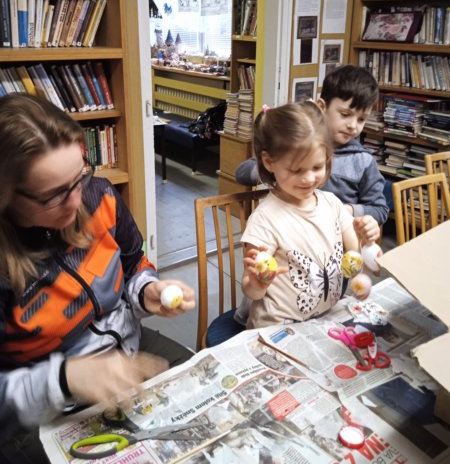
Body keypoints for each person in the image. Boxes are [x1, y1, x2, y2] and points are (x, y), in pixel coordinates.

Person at [0, 94, 196, 463]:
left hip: (130, 352)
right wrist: (65, 378)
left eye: (78, 177)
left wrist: (146, 290)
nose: (77, 202)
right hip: (42, 406)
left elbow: (134, 263)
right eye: (53, 195)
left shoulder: (100, 195)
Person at [241, 101, 380, 329]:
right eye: (296, 170)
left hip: (324, 319)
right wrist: (258, 283)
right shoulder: (264, 220)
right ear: (269, 162)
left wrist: (367, 240)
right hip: (279, 328)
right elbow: (252, 292)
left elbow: (356, 254)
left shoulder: (332, 204)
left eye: (317, 167)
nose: (308, 179)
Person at [235, 65, 389, 225]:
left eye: (361, 119)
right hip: (290, 230)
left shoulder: (363, 160)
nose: (353, 125)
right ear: (321, 106)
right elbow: (242, 173)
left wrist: (345, 211)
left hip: (337, 235)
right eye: (345, 114)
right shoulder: (297, 144)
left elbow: (379, 209)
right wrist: (276, 167)